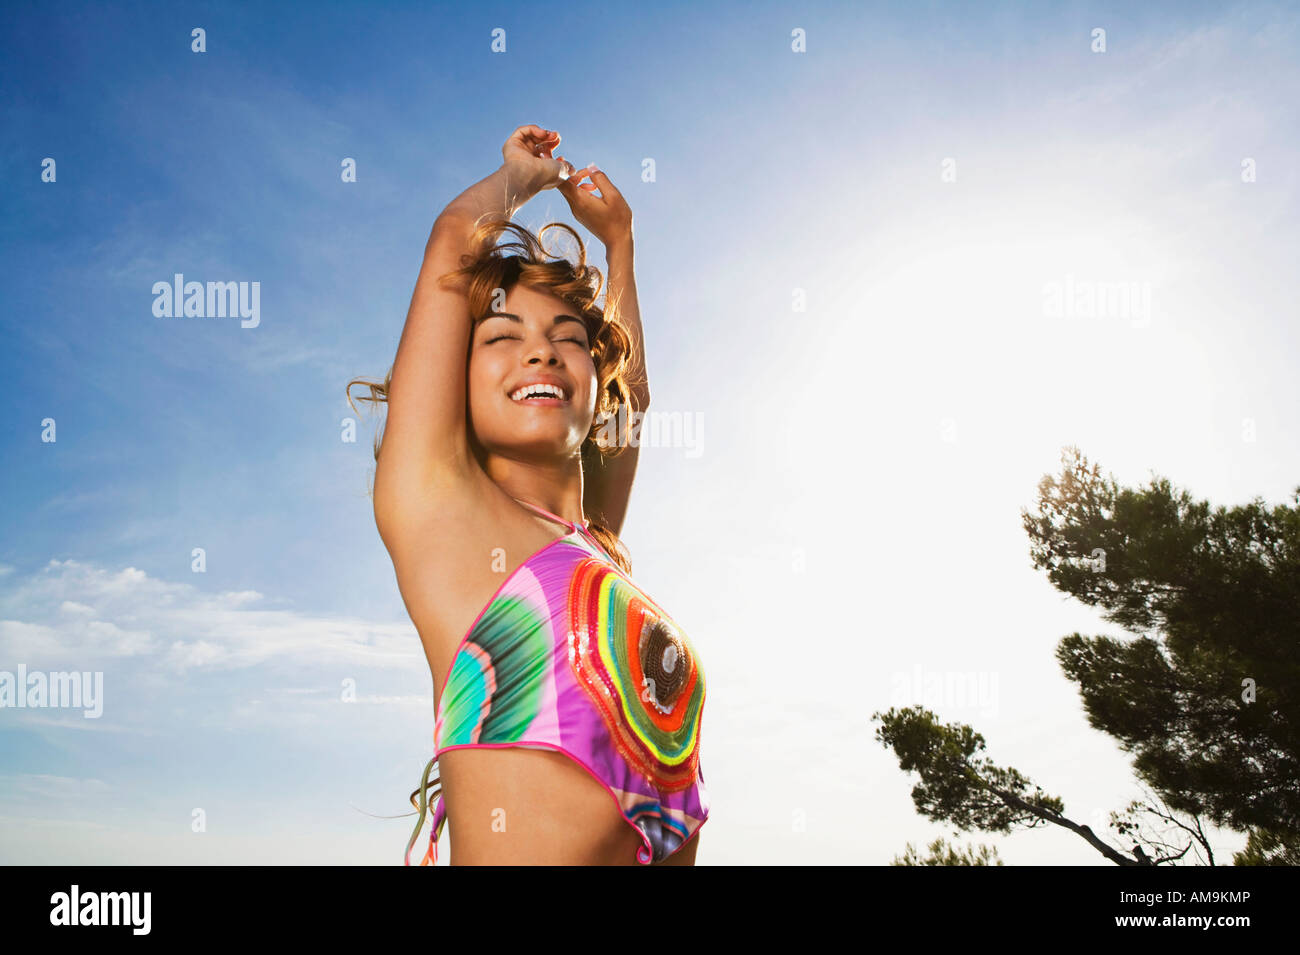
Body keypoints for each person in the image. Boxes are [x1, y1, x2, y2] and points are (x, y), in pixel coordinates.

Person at [347, 125, 709, 865]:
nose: (540, 349)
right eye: (502, 335)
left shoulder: (594, 548)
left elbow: (629, 397)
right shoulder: (442, 510)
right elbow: (454, 241)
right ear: (455, 377)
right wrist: (520, 177)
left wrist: (622, 245)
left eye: (567, 335)